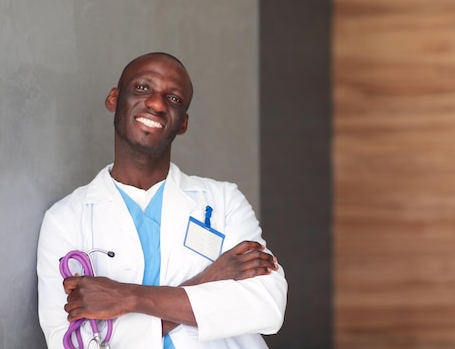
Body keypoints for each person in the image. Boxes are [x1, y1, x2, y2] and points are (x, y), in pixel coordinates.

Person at [37, 52, 287, 349]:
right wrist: (209, 279)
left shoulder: (223, 200)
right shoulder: (66, 219)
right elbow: (73, 343)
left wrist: (127, 297)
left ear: (183, 123)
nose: (156, 104)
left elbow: (266, 306)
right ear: (114, 99)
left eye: (174, 99)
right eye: (142, 88)